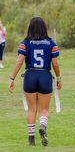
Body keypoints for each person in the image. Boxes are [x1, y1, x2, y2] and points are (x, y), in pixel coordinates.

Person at [8, 17, 62, 146]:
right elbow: (55, 63)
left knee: (32, 109)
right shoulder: (51, 43)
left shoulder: (25, 42)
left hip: (30, 75)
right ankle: (42, 126)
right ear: (44, 27)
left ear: (30, 28)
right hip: (45, 75)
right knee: (44, 110)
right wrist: (59, 78)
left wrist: (12, 78)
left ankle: (31, 139)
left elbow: (19, 61)